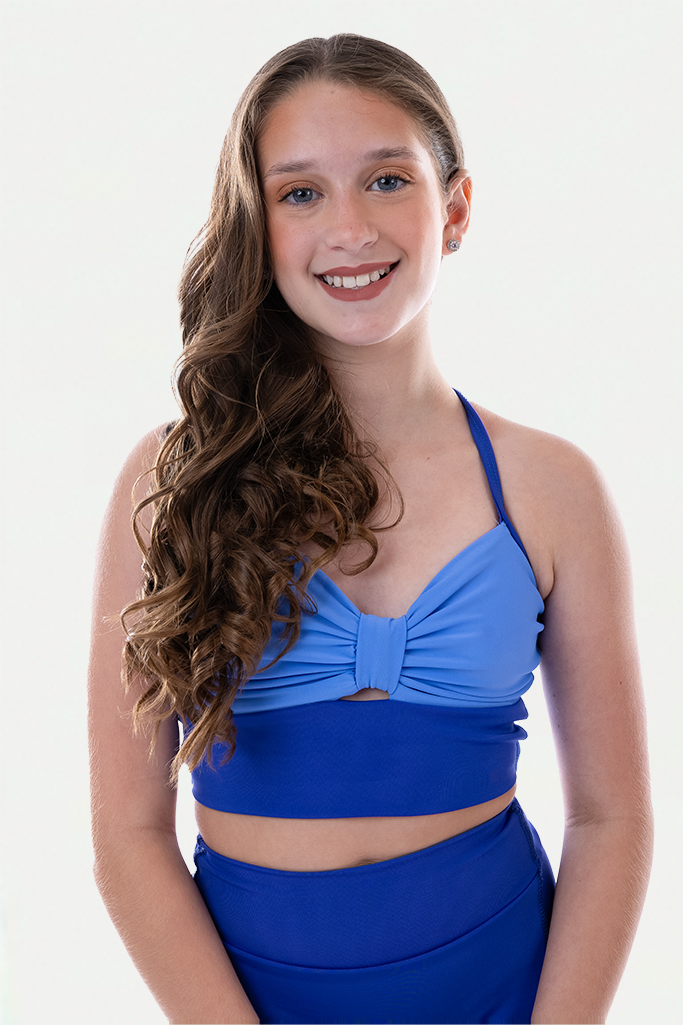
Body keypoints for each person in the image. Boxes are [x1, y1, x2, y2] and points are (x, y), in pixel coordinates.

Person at [87, 33, 653, 1025]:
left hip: (506, 992)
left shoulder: (551, 487)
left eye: (386, 179)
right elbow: (127, 833)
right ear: (256, 225)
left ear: (455, 208)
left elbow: (610, 814)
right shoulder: (171, 481)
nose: (348, 227)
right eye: (300, 192)